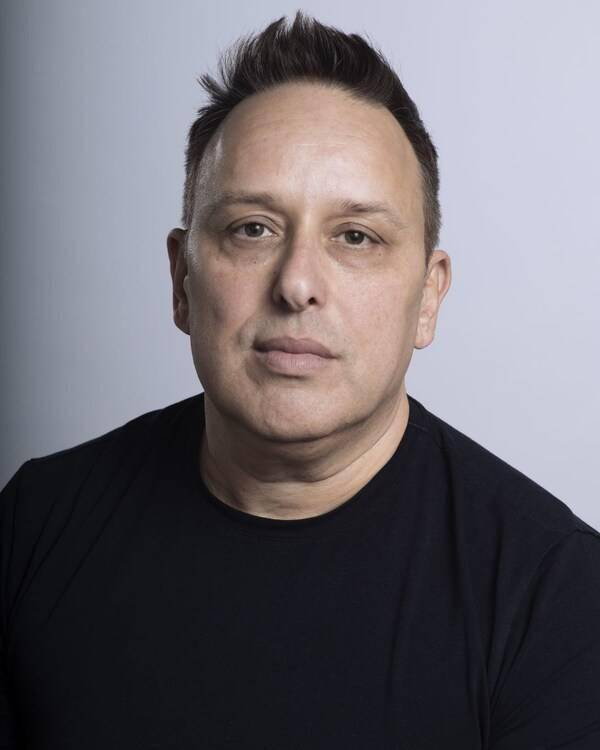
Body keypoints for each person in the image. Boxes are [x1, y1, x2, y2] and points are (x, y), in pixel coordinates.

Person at [1, 10, 599, 749]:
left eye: (356, 237)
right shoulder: (35, 523)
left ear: (428, 297)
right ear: (182, 280)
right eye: (252, 228)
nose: (297, 284)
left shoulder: (556, 595)